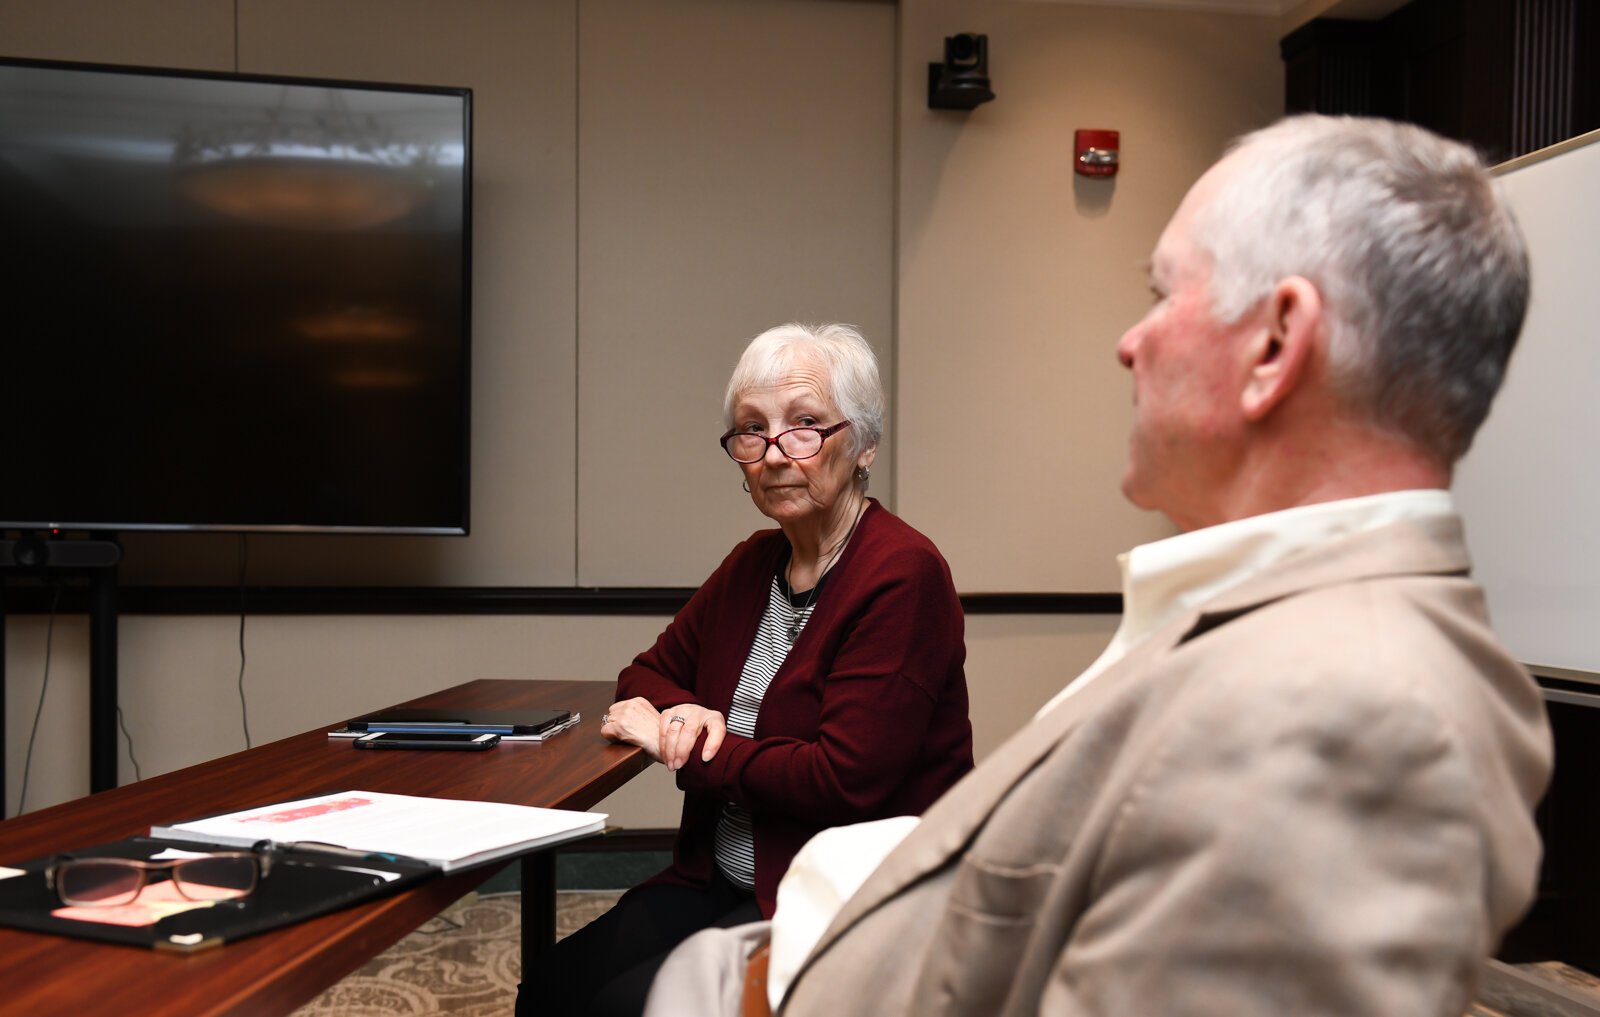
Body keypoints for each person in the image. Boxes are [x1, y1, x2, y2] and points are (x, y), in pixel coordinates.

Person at [643, 115, 1554, 1017]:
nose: (1130, 341)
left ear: (1276, 344)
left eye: (1163, 294)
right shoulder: (1264, 621)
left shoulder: (1360, 710)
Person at [516, 322, 974, 1017]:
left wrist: (704, 746)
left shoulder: (902, 573)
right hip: (719, 876)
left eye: (806, 424)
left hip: (838, 896)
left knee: (620, 1008)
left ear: (864, 444)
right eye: (751, 430)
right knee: (551, 988)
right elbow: (644, 674)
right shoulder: (751, 563)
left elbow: (840, 781)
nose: (775, 453)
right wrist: (688, 712)